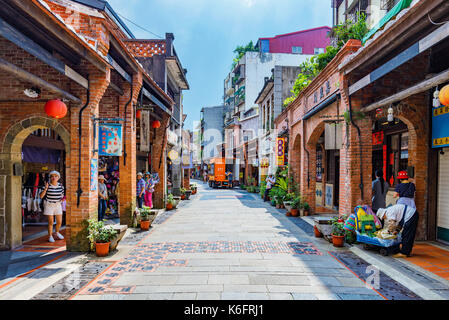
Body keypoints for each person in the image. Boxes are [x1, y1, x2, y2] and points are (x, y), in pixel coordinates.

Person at [39, 171, 65, 243]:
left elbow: (62, 195)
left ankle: (57, 232)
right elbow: (41, 196)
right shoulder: (47, 185)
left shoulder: (61, 186)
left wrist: (62, 198)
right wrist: (46, 188)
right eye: (52, 176)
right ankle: (50, 236)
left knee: (59, 222)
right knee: (51, 222)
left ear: (58, 178)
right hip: (49, 205)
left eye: (56, 176)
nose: (54, 178)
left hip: (58, 205)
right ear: (50, 178)